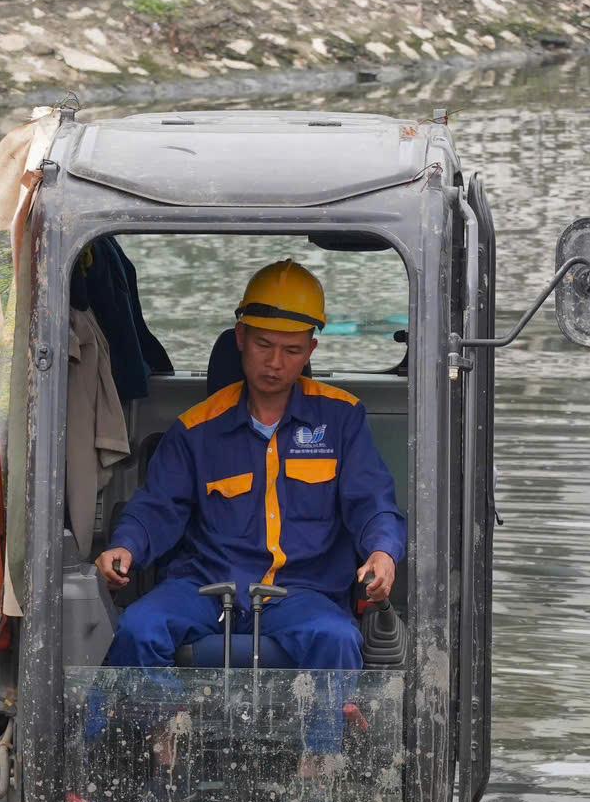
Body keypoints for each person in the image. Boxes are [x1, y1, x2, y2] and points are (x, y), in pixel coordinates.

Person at [94, 261, 403, 670]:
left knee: (338, 639)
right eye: (263, 345)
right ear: (240, 338)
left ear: (310, 350)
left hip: (304, 594)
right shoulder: (194, 429)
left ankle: (322, 738)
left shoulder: (342, 419)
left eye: (291, 350)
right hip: (205, 587)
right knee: (139, 630)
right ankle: (159, 732)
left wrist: (383, 553)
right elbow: (156, 507)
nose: (275, 362)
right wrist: (125, 546)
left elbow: (373, 501)